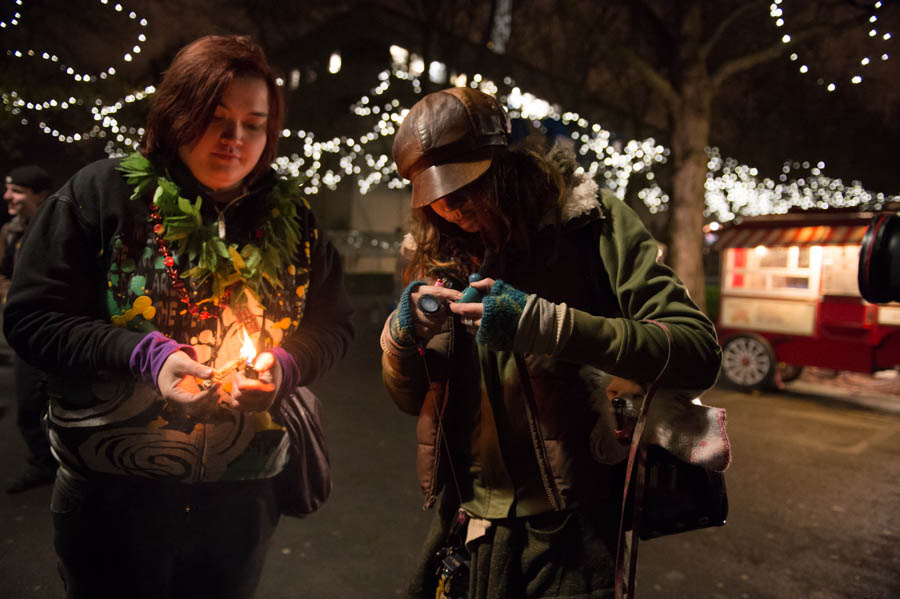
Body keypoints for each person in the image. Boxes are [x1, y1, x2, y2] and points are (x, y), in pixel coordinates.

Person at [3, 35, 353, 599]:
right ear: (175, 114)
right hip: (113, 488)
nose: (236, 139)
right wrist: (145, 355)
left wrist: (285, 367)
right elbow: (31, 318)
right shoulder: (101, 195)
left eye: (254, 123)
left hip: (244, 493)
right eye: (216, 118)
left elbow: (334, 323)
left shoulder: (295, 218)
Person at [380, 87, 728, 598]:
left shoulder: (589, 223)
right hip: (468, 523)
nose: (450, 207)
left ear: (505, 164)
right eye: (433, 196)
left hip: (574, 529)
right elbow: (410, 399)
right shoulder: (437, 249)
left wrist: (550, 326)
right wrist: (399, 340)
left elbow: (697, 351)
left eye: (465, 186)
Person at [1, 165, 56, 493]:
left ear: (40, 195)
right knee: (28, 406)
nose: (8, 197)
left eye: (17, 191)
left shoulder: (58, 227)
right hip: (26, 334)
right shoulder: (10, 231)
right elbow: (6, 272)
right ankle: (43, 464)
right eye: (8, 189)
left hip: (53, 330)